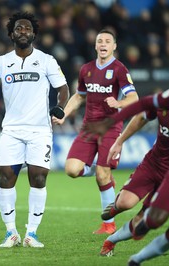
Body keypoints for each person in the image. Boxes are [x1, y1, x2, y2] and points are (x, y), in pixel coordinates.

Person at [84, 56, 169, 265]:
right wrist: (119, 141)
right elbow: (140, 116)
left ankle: (111, 241)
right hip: (154, 162)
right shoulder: (168, 101)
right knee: (124, 203)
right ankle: (115, 206)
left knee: (142, 224)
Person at [0, 12, 69, 248]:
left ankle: (32, 234)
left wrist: (60, 107)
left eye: (27, 28)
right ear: (11, 34)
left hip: (39, 130)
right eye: (18, 28)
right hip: (12, 130)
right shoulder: (2, 62)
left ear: (34, 33)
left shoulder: (46, 60)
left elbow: (63, 88)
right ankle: (11, 233)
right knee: (5, 177)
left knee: (38, 177)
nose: (23, 31)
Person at [52, 29, 139, 234]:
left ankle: (109, 225)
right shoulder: (86, 69)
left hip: (111, 127)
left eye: (108, 41)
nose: (103, 44)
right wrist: (64, 113)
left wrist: (118, 102)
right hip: (88, 127)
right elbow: (79, 96)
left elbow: (134, 98)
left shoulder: (119, 69)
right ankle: (97, 171)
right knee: (72, 170)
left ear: (114, 46)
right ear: (95, 45)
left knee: (103, 174)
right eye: (100, 40)